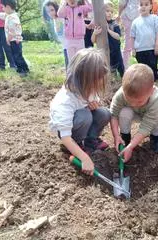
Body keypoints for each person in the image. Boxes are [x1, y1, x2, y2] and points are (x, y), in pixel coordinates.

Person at [49, 48, 110, 176]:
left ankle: (90, 141)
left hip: (82, 120)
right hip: (68, 133)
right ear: (82, 80)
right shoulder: (65, 101)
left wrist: (93, 105)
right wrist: (84, 158)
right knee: (85, 116)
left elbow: (94, 106)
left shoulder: (88, 88)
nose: (95, 89)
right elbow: (65, 137)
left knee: (104, 113)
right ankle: (77, 145)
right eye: (94, 84)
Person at [110, 64, 158, 162]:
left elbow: (146, 126)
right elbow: (113, 115)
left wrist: (131, 147)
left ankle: (155, 139)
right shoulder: (121, 94)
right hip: (132, 114)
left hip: (149, 116)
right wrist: (116, 136)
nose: (134, 104)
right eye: (129, 100)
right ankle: (125, 138)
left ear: (151, 91)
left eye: (139, 101)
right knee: (124, 112)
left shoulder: (156, 98)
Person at [0, 0, 29, 77]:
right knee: (16, 55)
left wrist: (8, 39)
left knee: (17, 56)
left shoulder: (12, 18)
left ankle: (23, 70)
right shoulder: (9, 15)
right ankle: (22, 69)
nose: (2, 9)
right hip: (13, 40)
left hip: (14, 40)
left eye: (3, 7)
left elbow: (13, 30)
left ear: (7, 7)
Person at [91, 2, 124, 78]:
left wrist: (109, 30)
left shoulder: (114, 24)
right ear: (102, 12)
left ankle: (123, 79)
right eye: (107, 11)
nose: (110, 13)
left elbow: (118, 37)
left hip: (116, 51)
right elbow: (93, 41)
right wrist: (95, 33)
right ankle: (111, 79)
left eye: (111, 12)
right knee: (107, 68)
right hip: (105, 52)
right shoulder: (98, 24)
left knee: (120, 67)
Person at [131, 0, 158, 81]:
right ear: (138, 7)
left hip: (152, 49)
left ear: (151, 6)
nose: (143, 6)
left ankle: (154, 82)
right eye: (141, 5)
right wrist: (133, 48)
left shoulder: (155, 18)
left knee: (153, 68)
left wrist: (157, 45)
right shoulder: (135, 22)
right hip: (140, 50)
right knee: (143, 69)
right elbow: (132, 36)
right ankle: (144, 83)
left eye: (146, 4)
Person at [45, 1, 69, 69]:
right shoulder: (55, 20)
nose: (50, 13)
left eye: (52, 10)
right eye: (48, 11)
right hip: (65, 47)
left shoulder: (62, 18)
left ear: (56, 8)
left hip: (70, 47)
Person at [118, 0, 139, 68]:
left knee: (133, 41)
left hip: (138, 15)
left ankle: (140, 64)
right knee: (129, 41)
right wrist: (119, 15)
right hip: (129, 16)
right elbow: (122, 3)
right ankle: (124, 66)